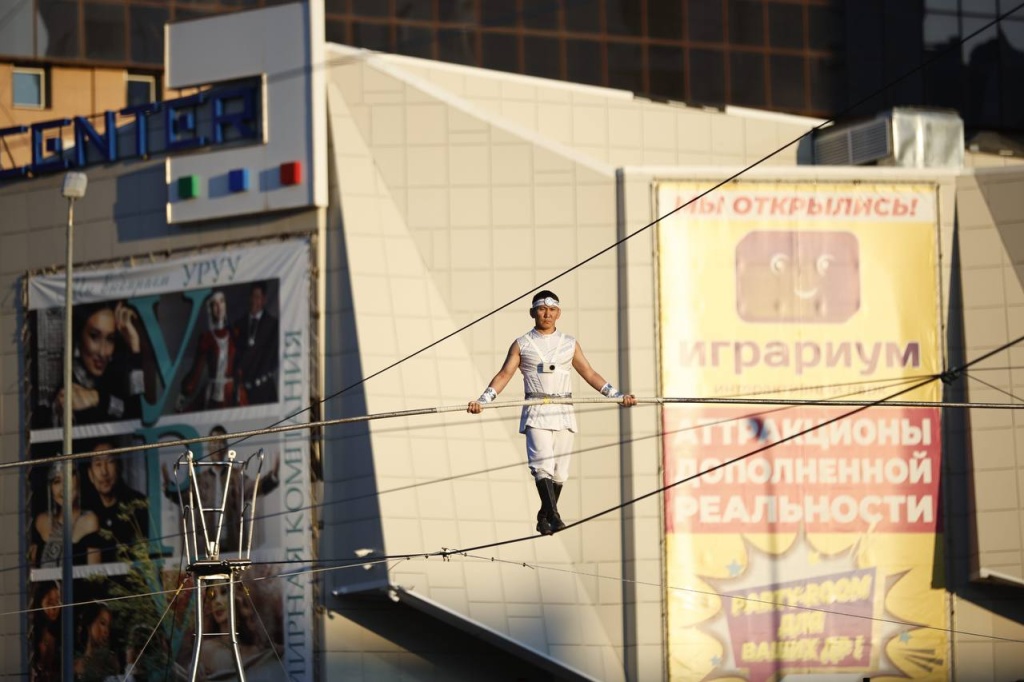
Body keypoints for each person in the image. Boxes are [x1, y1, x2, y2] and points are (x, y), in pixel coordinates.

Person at [467, 290, 636, 535]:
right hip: (536, 409)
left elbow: (589, 373)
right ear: (533, 312)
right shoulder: (522, 343)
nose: (547, 314)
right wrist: (483, 399)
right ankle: (554, 515)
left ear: (558, 313)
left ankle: (544, 515)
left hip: (563, 410)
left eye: (552, 309)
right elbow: (504, 374)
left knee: (560, 471)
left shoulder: (569, 343)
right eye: (542, 309)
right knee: (541, 465)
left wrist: (617, 395)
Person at [162, 425, 280, 554]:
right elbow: (185, 498)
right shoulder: (200, 480)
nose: (217, 448)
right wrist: (169, 487)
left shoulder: (236, 476)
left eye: (221, 443)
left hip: (233, 543)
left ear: (226, 448)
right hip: (207, 545)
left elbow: (254, 487)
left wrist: (273, 474)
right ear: (209, 448)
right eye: (214, 443)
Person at [52, 301, 144, 426]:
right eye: (94, 336)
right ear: (79, 337)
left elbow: (138, 413)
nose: (102, 352)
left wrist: (134, 347)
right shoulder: (68, 389)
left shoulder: (113, 377)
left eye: (110, 339)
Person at [81, 440, 150, 563]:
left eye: (110, 462)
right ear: (90, 474)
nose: (104, 472)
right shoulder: (85, 510)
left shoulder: (137, 504)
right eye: (98, 464)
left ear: (119, 467)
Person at [30, 463, 103, 567]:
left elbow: (94, 576)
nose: (64, 487)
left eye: (68, 478)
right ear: (50, 488)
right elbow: (31, 571)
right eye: (57, 481)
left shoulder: (89, 521)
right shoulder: (41, 521)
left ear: (77, 479)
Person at [178, 290, 238, 412]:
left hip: (232, 395)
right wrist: (184, 393)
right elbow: (197, 371)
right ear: (210, 309)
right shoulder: (206, 338)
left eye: (221, 302)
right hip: (213, 396)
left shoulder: (235, 334)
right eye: (214, 304)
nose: (219, 307)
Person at [232, 282, 279, 405]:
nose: (254, 301)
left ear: (263, 300)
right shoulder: (239, 325)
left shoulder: (273, 325)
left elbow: (273, 356)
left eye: (258, 297)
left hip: (265, 389)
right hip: (245, 391)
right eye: (252, 297)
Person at [73, 601, 120, 681]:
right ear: (90, 624)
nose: (106, 631)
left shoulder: (110, 662)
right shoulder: (74, 665)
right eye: (102, 623)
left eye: (108, 626)